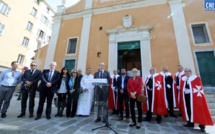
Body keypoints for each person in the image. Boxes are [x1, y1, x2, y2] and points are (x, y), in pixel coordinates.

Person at [180, 68, 213, 133]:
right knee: (188, 109)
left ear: (191, 72)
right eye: (185, 71)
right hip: (187, 97)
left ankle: (202, 126)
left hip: (195, 98)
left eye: (188, 71)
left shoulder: (195, 78)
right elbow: (182, 87)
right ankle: (190, 123)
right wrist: (184, 91)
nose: (186, 72)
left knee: (198, 110)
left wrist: (190, 91)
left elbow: (198, 88)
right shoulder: (184, 79)